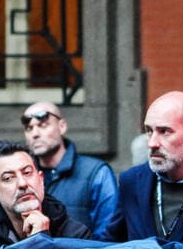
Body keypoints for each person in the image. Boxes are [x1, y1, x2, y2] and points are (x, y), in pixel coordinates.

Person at [104, 91, 183, 249]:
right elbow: (111, 246)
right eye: (149, 131)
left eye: (164, 131)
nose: (152, 143)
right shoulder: (132, 181)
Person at [0, 140, 92, 248]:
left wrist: (42, 241)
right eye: (8, 178)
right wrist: (34, 245)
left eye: (27, 173)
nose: (22, 183)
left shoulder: (75, 235)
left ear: (41, 180)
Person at [20, 102, 118, 240]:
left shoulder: (96, 173)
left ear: (62, 126)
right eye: (29, 128)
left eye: (43, 126)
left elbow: (108, 235)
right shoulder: (22, 178)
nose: (35, 134)